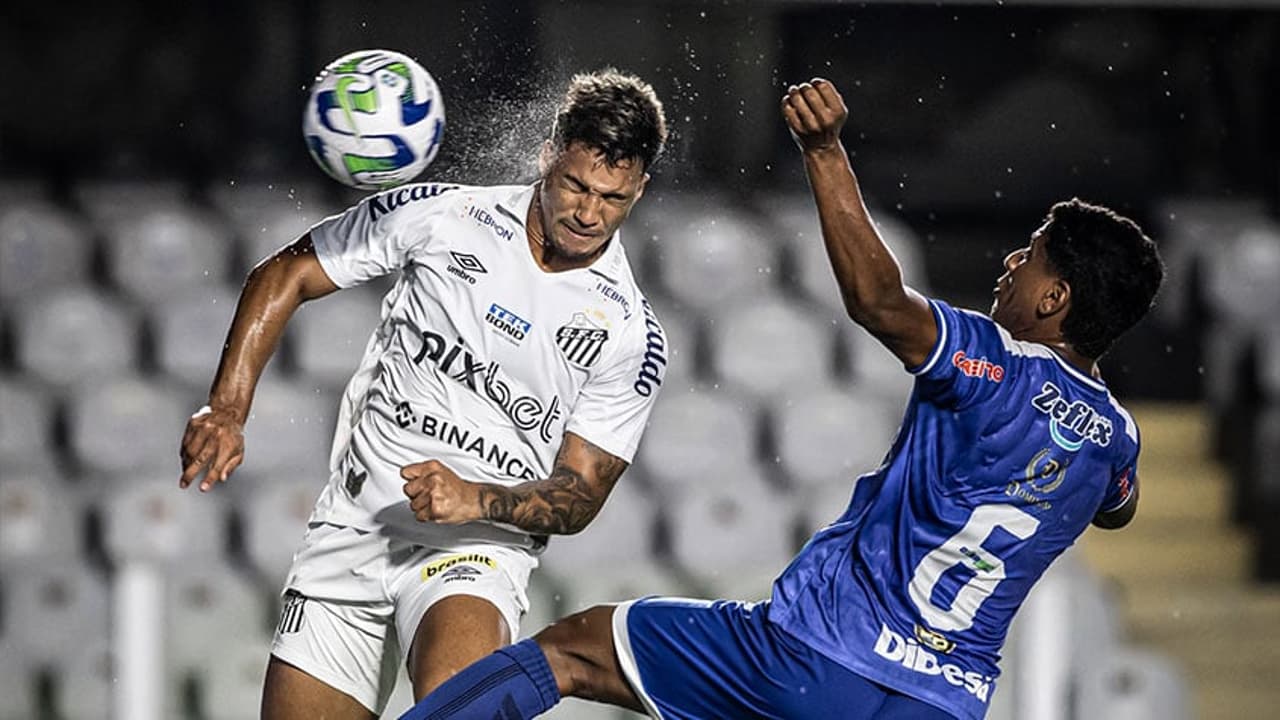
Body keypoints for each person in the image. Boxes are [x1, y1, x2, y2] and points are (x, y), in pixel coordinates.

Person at [395, 77, 1165, 720]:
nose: (1010, 261)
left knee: (573, 650)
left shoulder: (995, 362)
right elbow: (1117, 509)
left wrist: (824, 151)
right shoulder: (1117, 440)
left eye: (1029, 256)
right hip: (941, 703)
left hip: (819, 659)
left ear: (1054, 297)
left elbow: (877, 301)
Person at [177, 68, 670, 719]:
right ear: (550, 153)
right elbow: (288, 270)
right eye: (576, 185)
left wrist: (475, 499)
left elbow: (579, 496)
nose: (587, 212)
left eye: (613, 198)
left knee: (456, 710)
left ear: (639, 188)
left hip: (475, 548)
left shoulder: (630, 332)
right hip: (355, 525)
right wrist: (228, 408)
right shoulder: (444, 216)